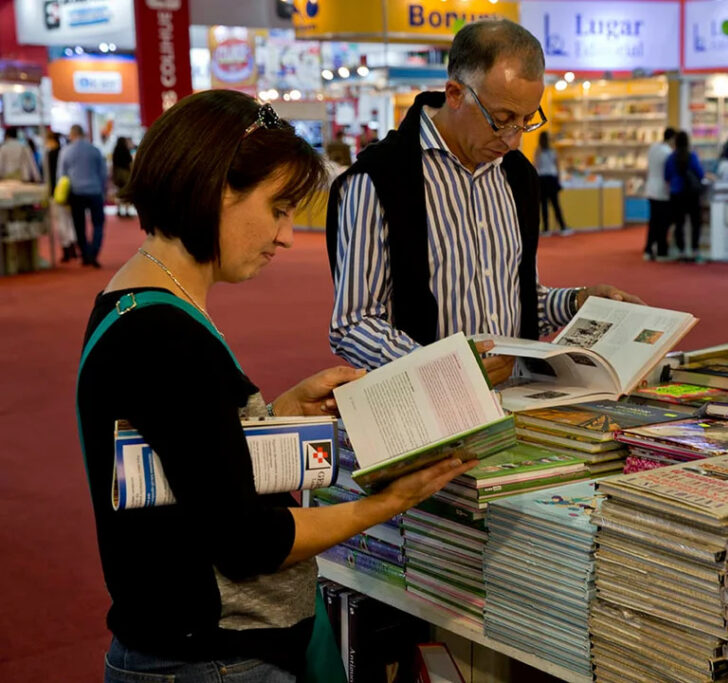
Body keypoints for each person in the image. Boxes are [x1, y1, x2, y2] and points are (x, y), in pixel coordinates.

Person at [78, 89, 476, 682]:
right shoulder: (165, 335)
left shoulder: (142, 302)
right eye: (278, 209)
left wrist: (282, 410)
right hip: (212, 657)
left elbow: (189, 454)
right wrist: (386, 504)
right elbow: (247, 538)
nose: (287, 236)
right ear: (216, 189)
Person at [326, 19, 641, 381]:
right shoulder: (380, 178)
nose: (513, 140)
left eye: (526, 120)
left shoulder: (517, 176)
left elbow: (518, 302)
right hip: (422, 412)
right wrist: (444, 368)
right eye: (502, 119)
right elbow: (352, 324)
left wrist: (577, 302)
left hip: (514, 403)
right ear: (456, 94)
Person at [60, 124, 107, 267]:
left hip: (76, 192)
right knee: (98, 223)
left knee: (79, 225)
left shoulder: (66, 151)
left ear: (72, 134)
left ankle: (86, 254)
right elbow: (103, 173)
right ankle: (94, 252)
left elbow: (62, 175)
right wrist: (102, 189)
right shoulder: (95, 150)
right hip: (95, 190)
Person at [664, 131, 705, 262]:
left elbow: (667, 176)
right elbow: (700, 173)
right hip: (691, 194)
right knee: (695, 223)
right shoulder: (692, 156)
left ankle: (681, 251)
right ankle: (694, 249)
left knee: (679, 223)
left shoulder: (671, 157)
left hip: (676, 193)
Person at [45, 130, 78, 262]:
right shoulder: (66, 152)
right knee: (70, 220)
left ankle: (66, 247)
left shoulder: (50, 155)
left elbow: (49, 176)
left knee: (61, 221)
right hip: (70, 191)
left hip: (57, 192)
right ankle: (73, 247)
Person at [643, 127, 675, 260]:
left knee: (653, 221)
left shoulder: (653, 148)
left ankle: (649, 249)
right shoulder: (667, 153)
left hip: (651, 188)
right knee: (663, 223)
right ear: (672, 139)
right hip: (662, 191)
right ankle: (662, 249)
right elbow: (669, 173)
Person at [534, 130, 568, 235]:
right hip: (552, 178)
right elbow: (557, 165)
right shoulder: (553, 150)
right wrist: (558, 178)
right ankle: (563, 227)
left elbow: (535, 165)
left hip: (542, 178)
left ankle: (546, 229)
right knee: (556, 204)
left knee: (543, 205)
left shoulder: (538, 151)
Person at [111, 136, 133, 218]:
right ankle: (127, 211)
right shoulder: (126, 150)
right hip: (125, 174)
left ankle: (119, 210)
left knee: (118, 192)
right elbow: (130, 163)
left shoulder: (115, 151)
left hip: (117, 174)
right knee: (126, 192)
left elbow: (113, 164)